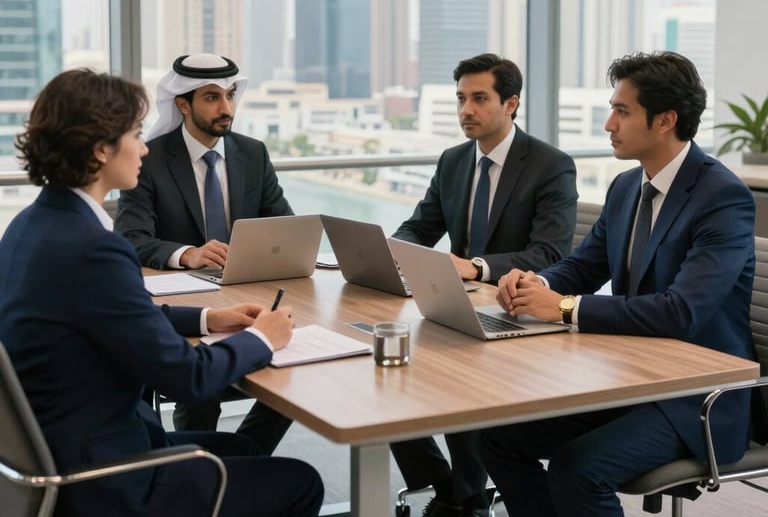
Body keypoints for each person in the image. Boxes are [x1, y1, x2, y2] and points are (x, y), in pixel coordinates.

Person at [0, 69, 323, 517]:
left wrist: (211, 320)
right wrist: (263, 338)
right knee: (301, 481)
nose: (145, 146)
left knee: (244, 447)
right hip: (110, 479)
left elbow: (110, 315)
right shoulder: (94, 248)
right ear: (99, 150)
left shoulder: (30, 226)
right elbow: (188, 378)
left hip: (67, 444)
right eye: (134, 134)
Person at [480, 51, 758, 517]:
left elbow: (680, 311)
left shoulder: (722, 197)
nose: (609, 123)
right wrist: (534, 283)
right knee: (500, 438)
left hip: (695, 401)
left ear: (666, 120)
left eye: (622, 111)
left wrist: (565, 308)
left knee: (578, 468)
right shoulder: (627, 186)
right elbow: (584, 267)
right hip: (631, 381)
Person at [390, 53, 579, 517]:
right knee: (385, 382)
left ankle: (461, 498)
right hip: (455, 308)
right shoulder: (454, 161)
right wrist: (394, 251)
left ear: (511, 103)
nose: (465, 111)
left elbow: (549, 253)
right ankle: (455, 491)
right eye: (460, 99)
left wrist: (475, 267)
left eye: (479, 99)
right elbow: (420, 227)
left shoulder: (550, 165)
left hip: (517, 317)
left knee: (455, 382)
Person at [116, 53, 294, 449]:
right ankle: (201, 472)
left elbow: (283, 225)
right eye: (212, 98)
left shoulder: (253, 153)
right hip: (187, 302)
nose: (226, 108)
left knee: (294, 370)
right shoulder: (150, 157)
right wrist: (187, 253)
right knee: (201, 393)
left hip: (250, 294)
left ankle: (240, 461)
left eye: (230, 95)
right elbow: (131, 237)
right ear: (183, 104)